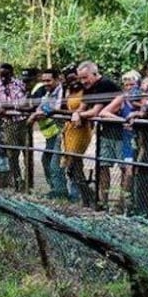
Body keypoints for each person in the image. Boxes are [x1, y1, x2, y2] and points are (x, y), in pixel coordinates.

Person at [74, 61, 122, 208]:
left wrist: (79, 115)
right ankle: (103, 200)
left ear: (95, 74)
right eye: (80, 78)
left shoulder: (104, 85)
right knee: (102, 166)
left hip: (120, 131)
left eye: (85, 78)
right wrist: (77, 113)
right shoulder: (88, 87)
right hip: (105, 131)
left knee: (124, 167)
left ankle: (123, 202)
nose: (83, 81)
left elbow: (95, 111)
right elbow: (82, 107)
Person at [99, 70, 142, 212]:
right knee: (120, 169)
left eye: (132, 84)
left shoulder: (145, 98)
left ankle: (124, 202)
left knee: (129, 171)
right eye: (126, 85)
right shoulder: (122, 99)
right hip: (124, 138)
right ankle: (105, 201)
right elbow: (104, 112)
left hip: (138, 140)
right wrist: (122, 120)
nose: (129, 87)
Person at [28, 68, 66, 198]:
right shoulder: (48, 92)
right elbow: (41, 106)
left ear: (56, 79)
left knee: (55, 163)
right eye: (43, 81)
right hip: (51, 133)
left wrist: (39, 114)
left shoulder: (62, 91)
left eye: (49, 80)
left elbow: (57, 108)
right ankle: (55, 189)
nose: (46, 83)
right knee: (47, 160)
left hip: (61, 131)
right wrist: (38, 113)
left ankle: (60, 192)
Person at [61, 71, 92, 204]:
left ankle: (88, 196)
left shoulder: (86, 92)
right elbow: (66, 109)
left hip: (81, 129)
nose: (73, 81)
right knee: (72, 166)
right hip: (69, 129)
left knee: (73, 162)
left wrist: (78, 114)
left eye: (76, 79)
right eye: (70, 79)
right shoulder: (68, 92)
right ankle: (85, 196)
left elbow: (84, 110)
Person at [0, 63, 28, 189]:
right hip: (8, 123)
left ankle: (28, 182)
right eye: (1, 75)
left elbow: (22, 101)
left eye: (6, 75)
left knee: (27, 152)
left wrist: (8, 106)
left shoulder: (18, 84)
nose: (3, 77)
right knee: (12, 154)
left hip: (22, 122)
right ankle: (17, 180)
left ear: (11, 73)